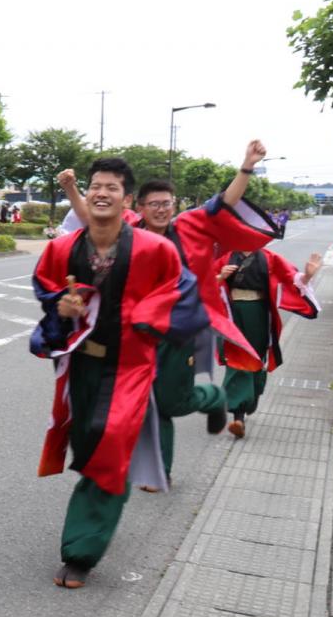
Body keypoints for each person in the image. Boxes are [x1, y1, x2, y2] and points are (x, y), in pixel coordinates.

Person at [59, 140, 283, 486]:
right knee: (145, 400)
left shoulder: (192, 225)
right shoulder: (128, 231)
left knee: (168, 400)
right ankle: (158, 470)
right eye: (154, 205)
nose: (160, 210)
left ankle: (212, 397)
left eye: (166, 204)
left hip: (182, 329)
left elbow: (226, 202)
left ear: (173, 205)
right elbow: (90, 219)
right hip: (138, 330)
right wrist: (72, 188)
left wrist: (247, 166)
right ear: (140, 207)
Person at [32, 158, 208, 590]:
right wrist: (61, 307)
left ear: (127, 200)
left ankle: (81, 552)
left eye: (112, 187)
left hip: (129, 365)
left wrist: (144, 318)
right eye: (96, 186)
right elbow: (45, 287)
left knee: (110, 443)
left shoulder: (155, 250)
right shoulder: (62, 248)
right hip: (81, 364)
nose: (101, 193)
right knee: (87, 441)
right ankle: (104, 497)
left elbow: (182, 294)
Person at [217, 248, 322, 437]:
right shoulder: (227, 255)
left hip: (258, 312)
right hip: (232, 313)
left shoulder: (269, 257)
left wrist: (306, 275)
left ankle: (250, 398)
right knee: (236, 357)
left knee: (256, 357)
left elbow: (292, 278)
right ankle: (238, 416)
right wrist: (219, 276)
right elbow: (204, 282)